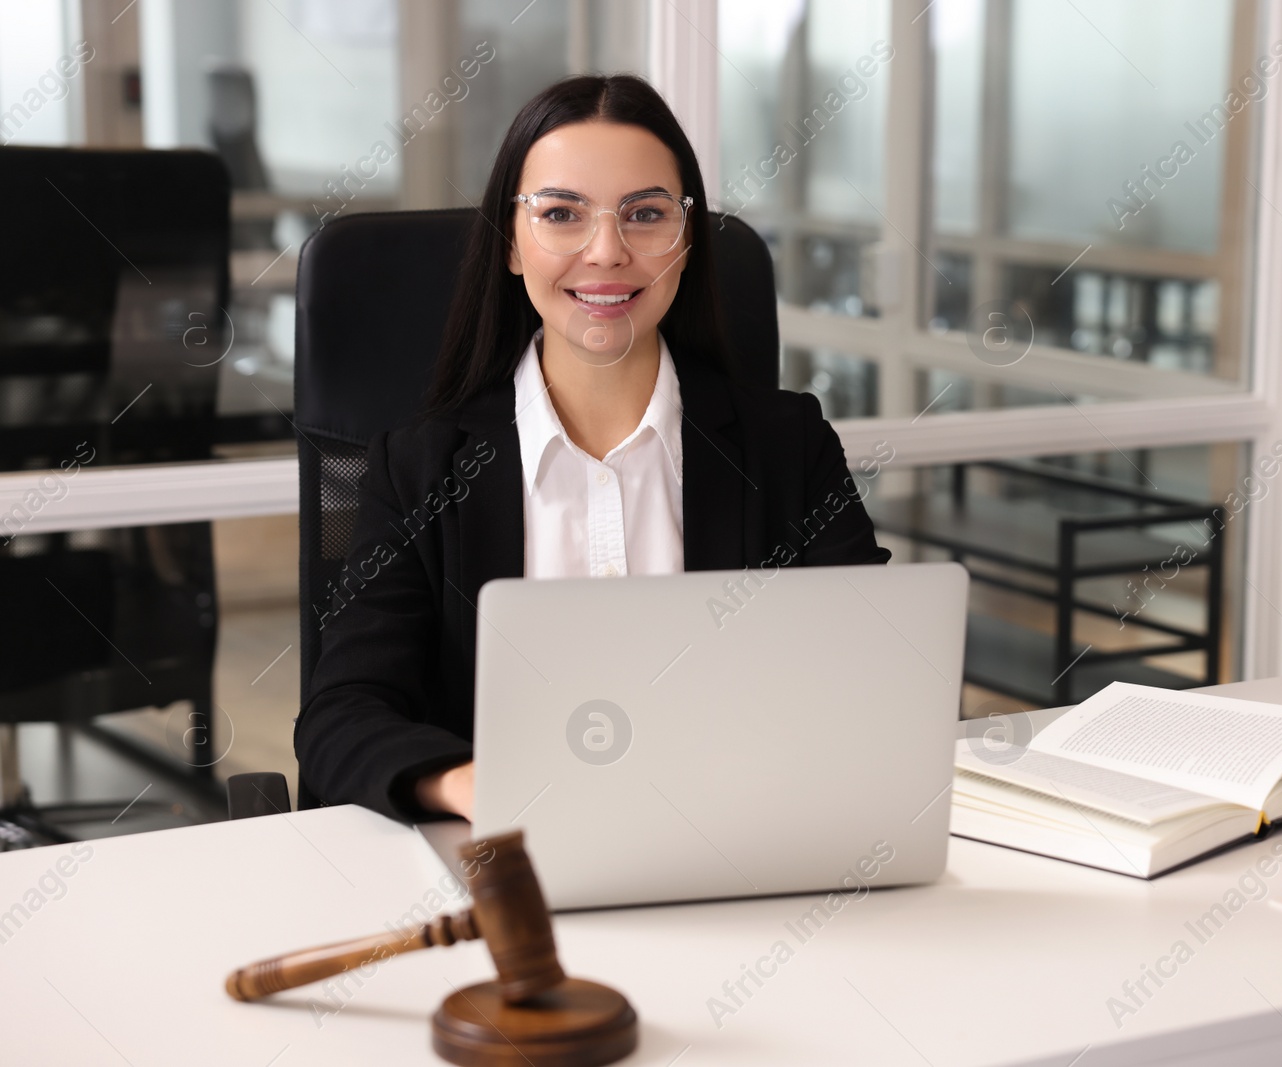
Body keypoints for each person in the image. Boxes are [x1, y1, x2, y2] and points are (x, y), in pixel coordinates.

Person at [294, 74, 890, 823]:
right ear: (511, 243)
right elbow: (340, 715)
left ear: (686, 238)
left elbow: (873, 674)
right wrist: (476, 787)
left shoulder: (787, 446)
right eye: (561, 214)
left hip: (736, 848)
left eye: (645, 214)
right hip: (507, 868)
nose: (607, 252)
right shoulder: (416, 472)